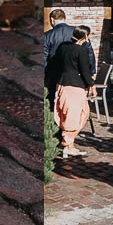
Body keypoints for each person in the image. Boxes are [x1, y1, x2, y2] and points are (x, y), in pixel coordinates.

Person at [51, 26, 97, 157]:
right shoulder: (81, 50)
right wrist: (92, 85)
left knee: (66, 115)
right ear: (86, 37)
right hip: (74, 86)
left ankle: (69, 145)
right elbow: (85, 70)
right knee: (78, 115)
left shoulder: (63, 47)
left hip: (62, 83)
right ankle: (67, 145)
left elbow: (57, 65)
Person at [44, 9, 75, 106]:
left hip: (54, 72)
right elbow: (88, 52)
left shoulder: (47, 35)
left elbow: (44, 56)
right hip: (74, 72)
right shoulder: (76, 32)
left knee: (52, 98)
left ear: (52, 20)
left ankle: (55, 116)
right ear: (64, 19)